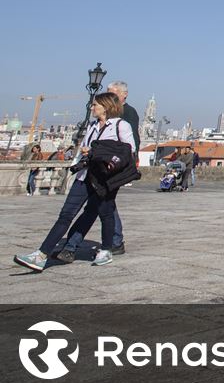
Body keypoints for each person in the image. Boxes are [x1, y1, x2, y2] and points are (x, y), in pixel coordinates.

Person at [14, 92, 135, 272]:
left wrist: (98, 153)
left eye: (95, 105)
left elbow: (128, 151)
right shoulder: (93, 126)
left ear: (106, 106)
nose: (92, 107)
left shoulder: (121, 126)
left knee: (105, 213)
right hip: (85, 176)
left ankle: (107, 249)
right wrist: (76, 165)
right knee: (66, 214)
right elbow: (83, 150)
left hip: (105, 178)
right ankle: (41, 255)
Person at [60, 81, 137, 258]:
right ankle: (78, 245)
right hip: (93, 170)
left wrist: (127, 163)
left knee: (99, 209)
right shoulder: (95, 123)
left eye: (111, 93)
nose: (106, 95)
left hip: (110, 170)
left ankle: (75, 246)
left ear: (121, 96)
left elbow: (130, 144)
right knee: (101, 209)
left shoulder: (127, 114)